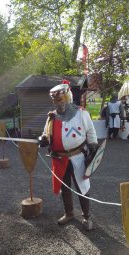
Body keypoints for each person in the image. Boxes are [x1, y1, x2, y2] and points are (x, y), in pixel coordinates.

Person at [39, 82, 98, 230]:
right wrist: (43, 139)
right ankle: (69, 213)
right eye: (56, 101)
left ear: (68, 97)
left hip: (78, 156)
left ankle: (86, 217)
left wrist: (93, 149)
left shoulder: (81, 113)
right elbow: (46, 133)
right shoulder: (52, 117)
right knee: (65, 187)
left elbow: (91, 132)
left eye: (61, 99)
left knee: (82, 187)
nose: (59, 103)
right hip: (59, 158)